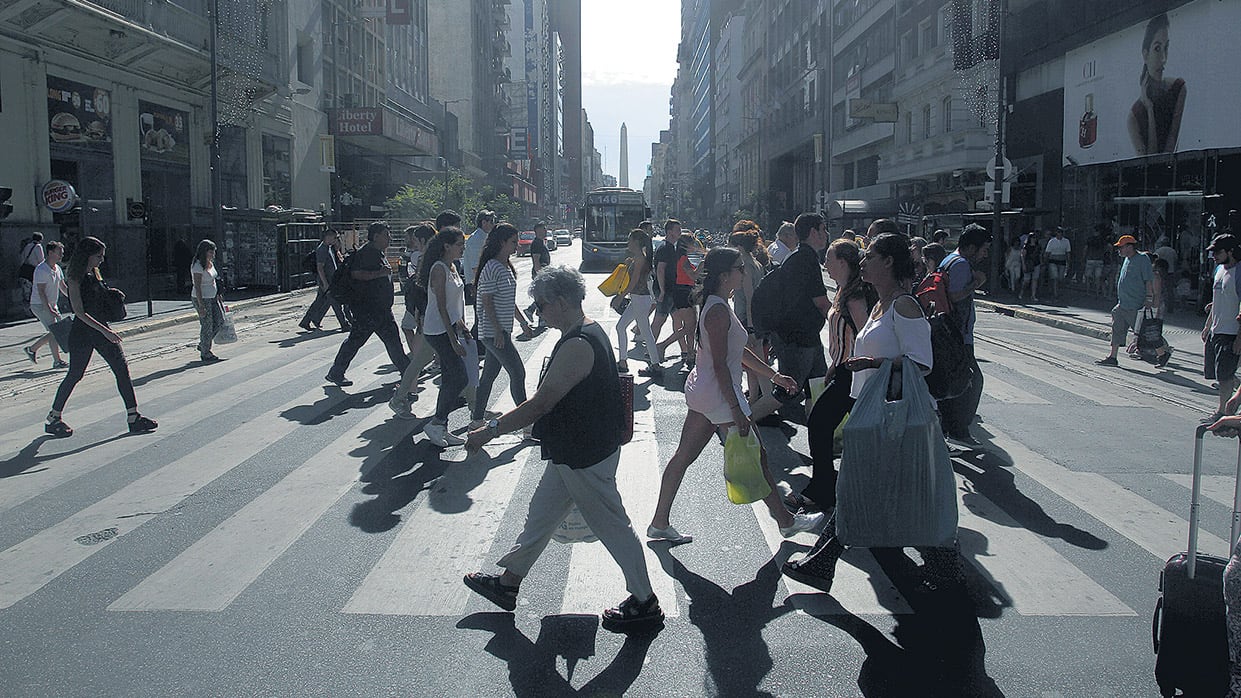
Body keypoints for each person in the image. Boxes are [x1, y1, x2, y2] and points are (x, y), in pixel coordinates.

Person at [462, 265, 664, 632]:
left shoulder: (578, 343)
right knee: (541, 513)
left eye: (541, 305)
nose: (539, 313)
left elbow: (540, 403)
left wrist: (488, 430)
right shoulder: (584, 331)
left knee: (614, 526)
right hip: (574, 449)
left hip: (585, 453)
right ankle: (508, 583)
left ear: (561, 301)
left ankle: (645, 601)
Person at [782, 232, 961, 593]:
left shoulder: (904, 306)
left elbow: (921, 363)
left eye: (870, 257)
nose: (862, 263)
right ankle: (943, 566)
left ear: (889, 262)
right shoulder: (880, 305)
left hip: (893, 417)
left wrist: (874, 362)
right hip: (874, 413)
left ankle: (823, 561)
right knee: (887, 490)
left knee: (859, 487)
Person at [646, 247, 823, 545]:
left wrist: (773, 375)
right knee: (758, 458)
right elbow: (720, 364)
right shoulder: (717, 309)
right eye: (740, 268)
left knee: (686, 457)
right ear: (725, 274)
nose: (744, 272)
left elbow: (737, 352)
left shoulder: (718, 305)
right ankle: (786, 521)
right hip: (718, 396)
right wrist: (737, 409)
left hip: (705, 394)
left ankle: (659, 522)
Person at [786, 238, 872, 513]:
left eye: (830, 259)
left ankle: (824, 490)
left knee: (822, 426)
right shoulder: (844, 290)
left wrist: (848, 364)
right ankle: (828, 487)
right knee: (824, 428)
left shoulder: (856, 295)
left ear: (844, 262)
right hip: (843, 370)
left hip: (854, 374)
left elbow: (864, 335)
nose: (825, 264)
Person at [45, 236, 157, 438]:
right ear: (87, 255)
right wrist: (105, 330)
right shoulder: (75, 277)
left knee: (121, 370)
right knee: (75, 374)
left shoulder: (94, 273)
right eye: (99, 256)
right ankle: (54, 418)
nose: (102, 260)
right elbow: (79, 312)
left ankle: (133, 416)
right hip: (84, 331)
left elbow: (96, 299)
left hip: (98, 328)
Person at [752, 213, 835, 426]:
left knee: (818, 384)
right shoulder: (806, 258)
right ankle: (743, 422)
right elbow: (822, 303)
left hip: (802, 335)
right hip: (797, 336)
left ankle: (823, 432)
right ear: (813, 232)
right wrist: (842, 326)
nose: (826, 234)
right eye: (823, 229)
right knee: (789, 388)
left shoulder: (799, 255)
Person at [325, 221, 409, 387]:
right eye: (386, 234)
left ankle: (407, 371)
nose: (389, 238)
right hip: (369, 308)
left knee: (388, 340)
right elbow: (357, 274)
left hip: (378, 308)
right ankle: (336, 372)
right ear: (376, 236)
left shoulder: (376, 252)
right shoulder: (368, 252)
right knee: (361, 341)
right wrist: (380, 273)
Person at [471, 223, 534, 429]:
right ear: (501, 243)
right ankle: (526, 424)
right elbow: (487, 302)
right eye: (513, 242)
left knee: (489, 375)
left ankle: (476, 418)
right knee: (518, 372)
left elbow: (508, 301)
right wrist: (498, 330)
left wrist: (523, 322)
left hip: (500, 330)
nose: (517, 246)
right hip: (493, 332)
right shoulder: (491, 267)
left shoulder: (505, 266)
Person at [938, 223, 991, 446]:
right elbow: (956, 296)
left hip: (950, 333)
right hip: (958, 336)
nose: (985, 254)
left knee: (955, 382)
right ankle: (960, 430)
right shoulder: (960, 265)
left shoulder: (948, 260)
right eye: (983, 249)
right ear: (971, 247)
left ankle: (950, 428)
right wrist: (975, 284)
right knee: (972, 381)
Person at [420, 226, 471, 447]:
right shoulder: (439, 269)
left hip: (450, 327)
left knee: (452, 378)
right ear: (446, 246)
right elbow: (441, 307)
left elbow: (452, 306)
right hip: (438, 330)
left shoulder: (452, 267)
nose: (462, 248)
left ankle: (441, 425)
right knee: (460, 377)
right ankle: (437, 422)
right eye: (459, 244)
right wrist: (453, 339)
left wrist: (461, 325)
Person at [389, 223, 439, 418]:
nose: (413, 243)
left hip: (428, 313)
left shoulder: (426, 258)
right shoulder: (427, 258)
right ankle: (404, 394)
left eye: (416, 240)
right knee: (421, 359)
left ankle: (405, 393)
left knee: (421, 359)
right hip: (429, 314)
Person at [1127, 13, 1185, 156]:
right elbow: (1150, 162)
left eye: (1167, 48)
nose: (1164, 59)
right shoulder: (1134, 116)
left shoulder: (1178, 88)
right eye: (1157, 49)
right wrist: (1150, 110)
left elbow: (1169, 151)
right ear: (1145, 54)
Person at [1097, 234, 1156, 369]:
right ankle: (1113, 356)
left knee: (1143, 331)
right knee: (1117, 328)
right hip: (1123, 303)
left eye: (1121, 247)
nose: (1119, 250)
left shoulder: (1142, 259)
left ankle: (1162, 350)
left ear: (1130, 247)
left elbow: (1148, 280)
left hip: (1135, 304)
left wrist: (1149, 298)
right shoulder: (1127, 259)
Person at [1200, 234, 1241, 423]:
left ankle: (1223, 412)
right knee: (1218, 373)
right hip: (1216, 330)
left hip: (1231, 332)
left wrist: (1239, 339)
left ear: (1230, 252)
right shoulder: (1218, 270)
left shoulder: (1239, 273)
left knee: (1224, 376)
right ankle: (1233, 392)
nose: (1214, 256)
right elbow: (1217, 300)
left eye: (1218, 252)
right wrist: (1207, 326)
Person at [614, 228, 662, 377]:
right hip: (638, 299)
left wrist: (620, 296)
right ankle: (623, 361)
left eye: (630, 240)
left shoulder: (640, 259)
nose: (628, 243)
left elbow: (634, 281)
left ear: (636, 242)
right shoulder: (640, 258)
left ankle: (655, 365)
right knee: (621, 327)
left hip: (640, 299)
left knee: (645, 332)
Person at [728, 224, 768, 397]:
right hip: (757, 318)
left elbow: (750, 297)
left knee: (755, 364)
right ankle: (753, 398)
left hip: (747, 319)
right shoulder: (756, 263)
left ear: (739, 247)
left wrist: (750, 327)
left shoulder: (745, 266)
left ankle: (766, 399)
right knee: (753, 365)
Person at [654, 219, 697, 367]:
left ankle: (688, 352)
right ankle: (657, 350)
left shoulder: (674, 250)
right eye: (677, 230)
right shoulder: (671, 251)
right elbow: (660, 270)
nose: (679, 232)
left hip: (678, 291)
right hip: (675, 291)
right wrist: (662, 290)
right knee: (662, 322)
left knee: (683, 323)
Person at [23, 240, 69, 368]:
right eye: (59, 252)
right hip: (40, 305)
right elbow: (41, 291)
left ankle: (56, 360)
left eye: (62, 253)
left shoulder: (57, 268)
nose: (61, 255)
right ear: (50, 253)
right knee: (56, 331)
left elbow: (62, 286)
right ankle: (32, 349)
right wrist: (49, 308)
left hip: (51, 305)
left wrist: (73, 298)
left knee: (54, 332)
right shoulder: (41, 269)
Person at [299, 228, 353, 332]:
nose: (336, 239)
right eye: (334, 237)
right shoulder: (322, 249)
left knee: (319, 302)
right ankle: (344, 324)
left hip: (330, 281)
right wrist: (325, 283)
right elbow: (320, 267)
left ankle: (306, 321)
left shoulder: (328, 248)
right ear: (328, 237)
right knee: (336, 303)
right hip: (327, 282)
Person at [190, 239, 224, 362]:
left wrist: (218, 294)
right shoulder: (198, 266)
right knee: (207, 325)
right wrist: (201, 305)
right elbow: (197, 286)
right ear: (204, 252)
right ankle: (206, 352)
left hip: (213, 297)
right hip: (202, 298)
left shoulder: (210, 262)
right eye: (210, 252)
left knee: (220, 320)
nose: (213, 255)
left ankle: (203, 343)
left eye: (213, 252)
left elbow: (213, 279)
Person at [462, 210, 495, 308]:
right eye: (491, 221)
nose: (493, 224)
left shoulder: (485, 236)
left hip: (484, 282)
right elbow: (475, 266)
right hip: (477, 283)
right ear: (484, 222)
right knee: (481, 316)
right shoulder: (476, 239)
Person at [525, 224, 551, 330]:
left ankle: (532, 311)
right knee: (543, 297)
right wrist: (540, 274)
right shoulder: (536, 243)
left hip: (543, 272)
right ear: (537, 231)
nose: (545, 231)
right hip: (540, 272)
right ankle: (537, 316)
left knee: (542, 296)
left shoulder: (541, 242)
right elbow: (536, 260)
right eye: (543, 229)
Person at [17, 232, 45, 310]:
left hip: (25, 271)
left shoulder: (27, 246)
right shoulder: (38, 247)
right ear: (40, 240)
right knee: (36, 292)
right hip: (33, 272)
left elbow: (22, 258)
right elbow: (41, 260)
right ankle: (36, 310)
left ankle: (27, 310)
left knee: (26, 293)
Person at [1043, 227, 1071, 300]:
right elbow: (1047, 252)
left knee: (1060, 278)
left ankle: (1055, 289)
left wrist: (1068, 261)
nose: (1059, 234)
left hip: (1062, 261)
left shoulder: (1066, 241)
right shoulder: (1052, 241)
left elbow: (1068, 252)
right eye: (1058, 233)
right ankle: (1055, 293)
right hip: (1053, 260)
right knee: (1055, 277)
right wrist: (1045, 261)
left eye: (1061, 233)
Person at [1020, 231, 1043, 302]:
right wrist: (1023, 265)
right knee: (1027, 280)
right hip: (1028, 264)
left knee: (1035, 279)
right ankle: (1022, 292)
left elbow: (1040, 255)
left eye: (1035, 238)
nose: (1034, 239)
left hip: (1036, 263)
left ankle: (1033, 295)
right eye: (1032, 238)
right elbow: (1023, 256)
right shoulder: (1026, 246)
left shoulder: (1038, 246)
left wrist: (1041, 263)